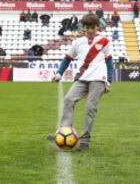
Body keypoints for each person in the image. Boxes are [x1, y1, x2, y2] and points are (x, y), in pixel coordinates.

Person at [48, 13, 113, 151]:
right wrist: (59, 73)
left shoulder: (105, 42)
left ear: (97, 27)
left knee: (90, 108)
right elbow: (67, 59)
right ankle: (64, 132)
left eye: (92, 27)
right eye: (86, 27)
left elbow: (109, 63)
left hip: (98, 79)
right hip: (82, 79)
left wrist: (109, 82)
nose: (89, 30)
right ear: (83, 27)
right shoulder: (77, 43)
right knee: (68, 100)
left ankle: (85, 139)